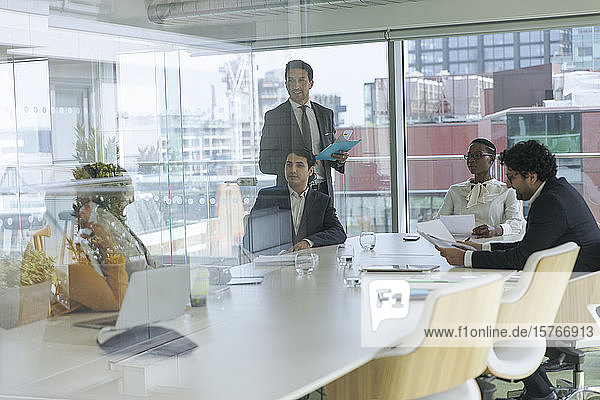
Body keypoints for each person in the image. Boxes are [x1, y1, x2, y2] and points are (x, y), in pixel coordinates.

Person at [436, 140, 600, 400]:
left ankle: (535, 392)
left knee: (487, 316)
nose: (510, 184)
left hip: (572, 296)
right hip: (571, 285)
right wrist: (483, 249)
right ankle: (540, 391)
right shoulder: (557, 191)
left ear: (531, 176)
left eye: (513, 177)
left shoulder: (550, 203)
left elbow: (522, 258)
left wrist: (466, 259)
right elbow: (528, 247)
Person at [69, 167, 159, 311]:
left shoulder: (114, 222)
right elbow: (131, 274)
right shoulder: (103, 225)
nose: (132, 192)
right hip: (135, 301)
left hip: (139, 297)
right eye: (127, 186)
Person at [259, 60, 349, 197]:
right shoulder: (274, 117)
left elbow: (329, 155)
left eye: (301, 80)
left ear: (311, 83)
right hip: (291, 194)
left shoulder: (326, 114)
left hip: (324, 192)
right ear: (285, 84)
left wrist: (339, 159)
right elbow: (265, 164)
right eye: (291, 80)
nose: (295, 85)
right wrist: (298, 163)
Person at [246, 148, 346, 252]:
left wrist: (308, 242)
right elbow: (251, 236)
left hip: (309, 262)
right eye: (289, 165)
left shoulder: (322, 201)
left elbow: (338, 233)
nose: (293, 170)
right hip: (274, 262)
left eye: (299, 165)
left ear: (310, 171)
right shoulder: (268, 196)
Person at [437, 138, 525, 238]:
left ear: (491, 159)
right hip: (459, 246)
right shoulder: (455, 190)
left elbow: (517, 223)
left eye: (477, 155)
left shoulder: (507, 190)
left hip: (492, 247)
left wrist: (496, 230)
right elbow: (439, 221)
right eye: (469, 156)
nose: (471, 160)